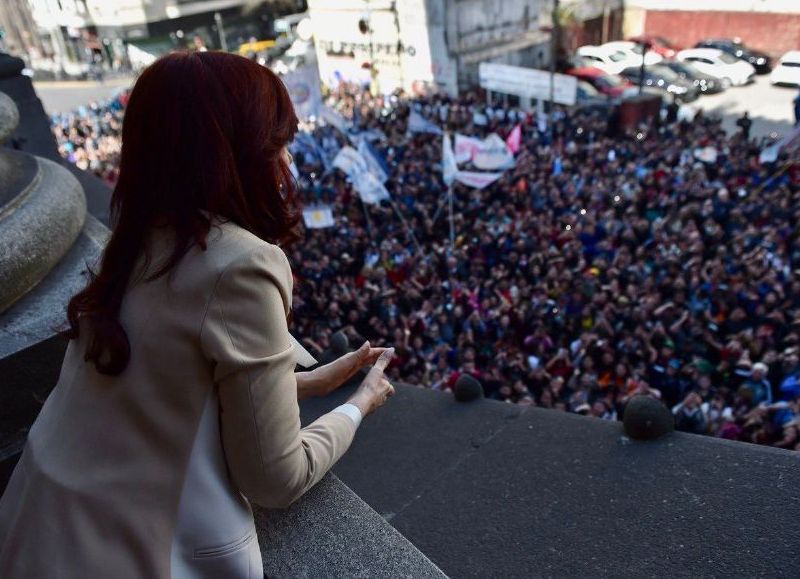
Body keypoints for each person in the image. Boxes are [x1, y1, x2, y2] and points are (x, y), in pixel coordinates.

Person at [0, 52, 396, 578]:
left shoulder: (135, 240)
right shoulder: (243, 264)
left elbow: (170, 387)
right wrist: (358, 407)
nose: (287, 163)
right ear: (237, 154)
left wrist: (307, 383)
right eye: (278, 145)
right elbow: (275, 478)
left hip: (35, 526)